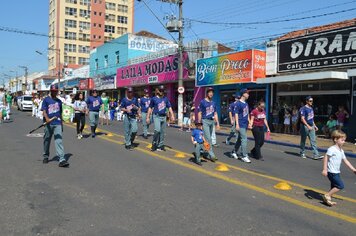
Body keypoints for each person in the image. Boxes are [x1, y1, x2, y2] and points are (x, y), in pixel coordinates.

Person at [322, 130, 356, 206]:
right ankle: (327, 195)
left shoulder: (341, 150)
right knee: (340, 186)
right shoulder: (332, 149)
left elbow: (345, 160)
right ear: (335, 139)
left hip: (336, 171)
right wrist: (325, 169)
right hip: (331, 172)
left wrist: (353, 169)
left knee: (334, 186)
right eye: (342, 140)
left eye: (344, 140)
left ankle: (327, 199)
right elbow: (326, 157)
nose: (344, 142)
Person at [41, 85, 69, 167]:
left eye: (56, 91)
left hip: (57, 123)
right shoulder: (46, 100)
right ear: (50, 91)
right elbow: (44, 111)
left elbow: (60, 114)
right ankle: (46, 155)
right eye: (53, 91)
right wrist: (47, 119)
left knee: (59, 140)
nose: (54, 92)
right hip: (48, 123)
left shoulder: (59, 101)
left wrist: (61, 124)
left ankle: (62, 159)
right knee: (47, 140)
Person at [147, 85, 175, 152]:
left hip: (164, 116)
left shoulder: (166, 99)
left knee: (162, 132)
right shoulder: (154, 99)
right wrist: (148, 117)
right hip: (156, 116)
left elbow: (169, 107)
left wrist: (172, 115)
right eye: (160, 90)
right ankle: (154, 143)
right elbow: (150, 107)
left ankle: (160, 145)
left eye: (162, 90)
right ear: (158, 91)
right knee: (157, 130)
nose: (161, 92)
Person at [198, 87, 220, 162]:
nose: (211, 93)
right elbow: (199, 112)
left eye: (212, 92)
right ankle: (212, 154)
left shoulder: (213, 103)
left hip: (212, 121)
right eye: (209, 92)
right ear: (207, 93)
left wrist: (217, 123)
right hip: (205, 121)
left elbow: (215, 113)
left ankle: (202, 150)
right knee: (208, 139)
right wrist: (199, 123)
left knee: (208, 138)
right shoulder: (202, 102)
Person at [231, 88, 252, 163]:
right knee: (244, 139)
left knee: (240, 139)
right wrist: (237, 124)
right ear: (243, 94)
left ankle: (234, 152)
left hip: (245, 124)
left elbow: (247, 114)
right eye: (247, 93)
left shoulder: (246, 104)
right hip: (240, 124)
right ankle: (244, 156)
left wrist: (249, 122)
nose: (248, 95)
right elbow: (236, 114)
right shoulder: (238, 103)